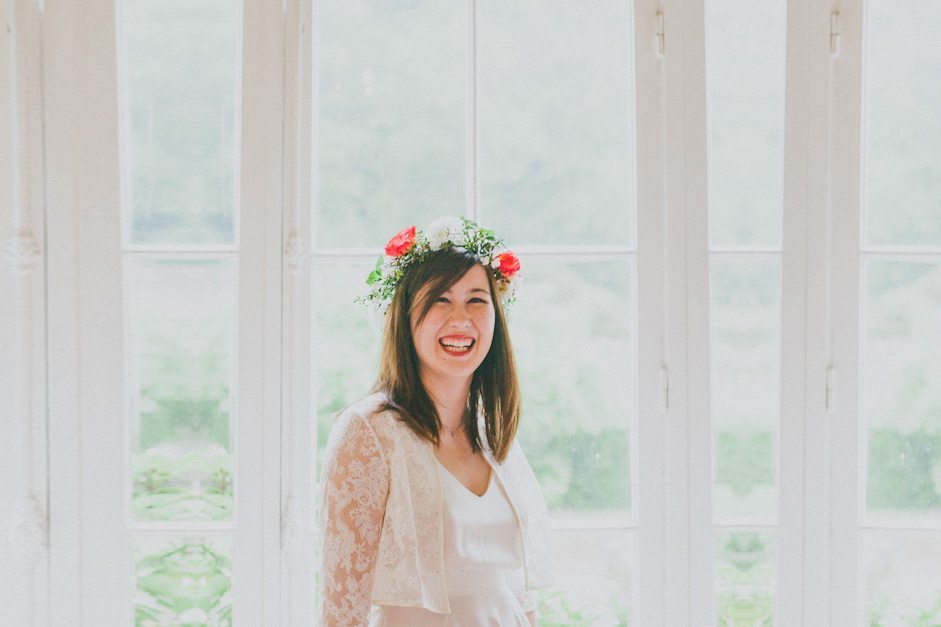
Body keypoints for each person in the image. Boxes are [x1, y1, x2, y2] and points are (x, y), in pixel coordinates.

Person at [318, 216, 553, 626]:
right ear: (405, 316)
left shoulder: (492, 432)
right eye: (440, 300)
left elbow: (520, 592)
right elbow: (341, 609)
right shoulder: (369, 431)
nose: (461, 319)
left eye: (477, 300)